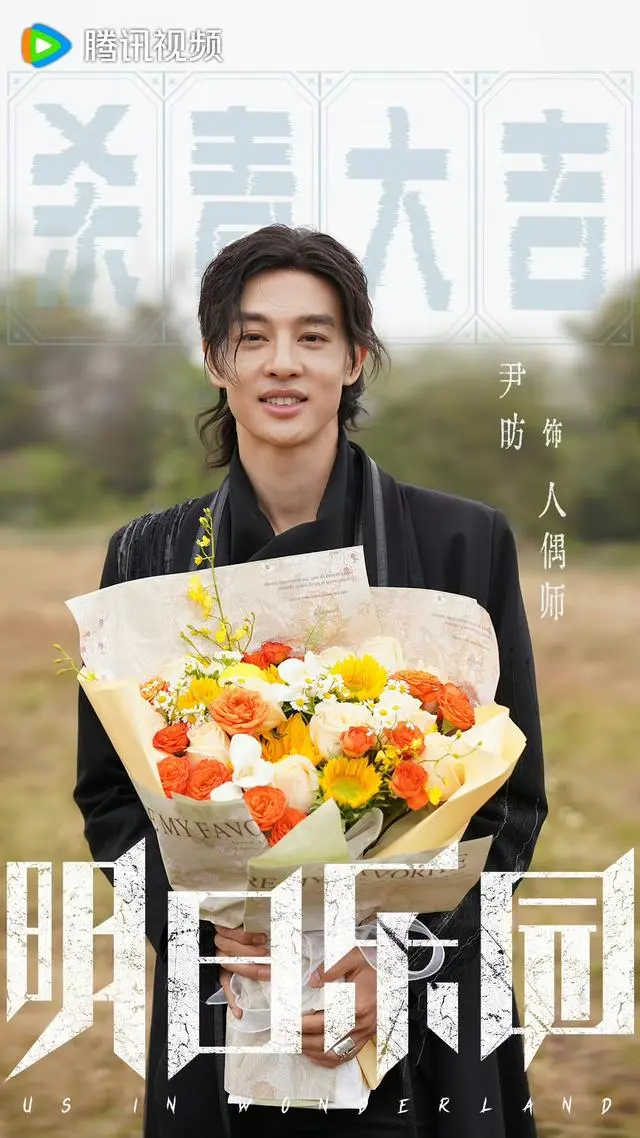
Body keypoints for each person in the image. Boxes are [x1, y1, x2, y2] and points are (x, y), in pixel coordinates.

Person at [74, 224, 547, 1138]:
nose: (282, 362)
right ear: (216, 360)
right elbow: (110, 799)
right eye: (252, 336)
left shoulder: (461, 542)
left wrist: (399, 960)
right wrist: (212, 931)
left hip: (427, 1021)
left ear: (355, 357)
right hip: (228, 994)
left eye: (313, 335)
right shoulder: (149, 556)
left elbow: (511, 805)